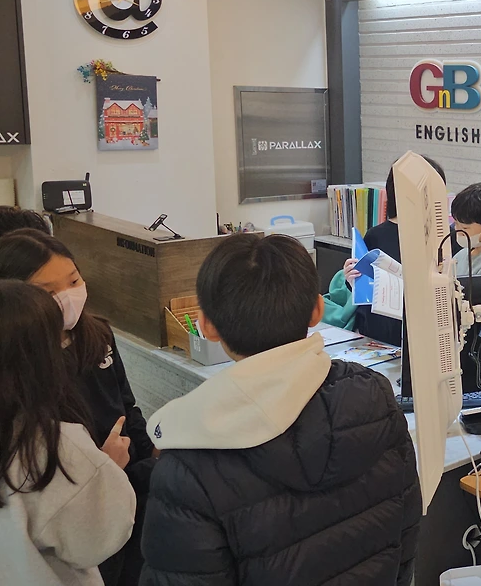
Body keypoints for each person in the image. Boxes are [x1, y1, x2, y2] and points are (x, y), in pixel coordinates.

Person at [140, 234, 421, 585]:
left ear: (206, 326)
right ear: (317, 310)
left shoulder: (185, 467)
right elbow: (407, 533)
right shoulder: (376, 398)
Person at [0, 229, 155, 586]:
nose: (68, 297)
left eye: (73, 281)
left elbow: (126, 404)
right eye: (48, 291)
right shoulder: (22, 370)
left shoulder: (97, 335)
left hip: (127, 486)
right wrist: (101, 467)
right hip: (82, 501)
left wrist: (151, 452)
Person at [326, 155, 446, 407]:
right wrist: (351, 277)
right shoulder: (376, 235)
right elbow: (362, 289)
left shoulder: (442, 236)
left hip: (424, 337)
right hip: (380, 335)